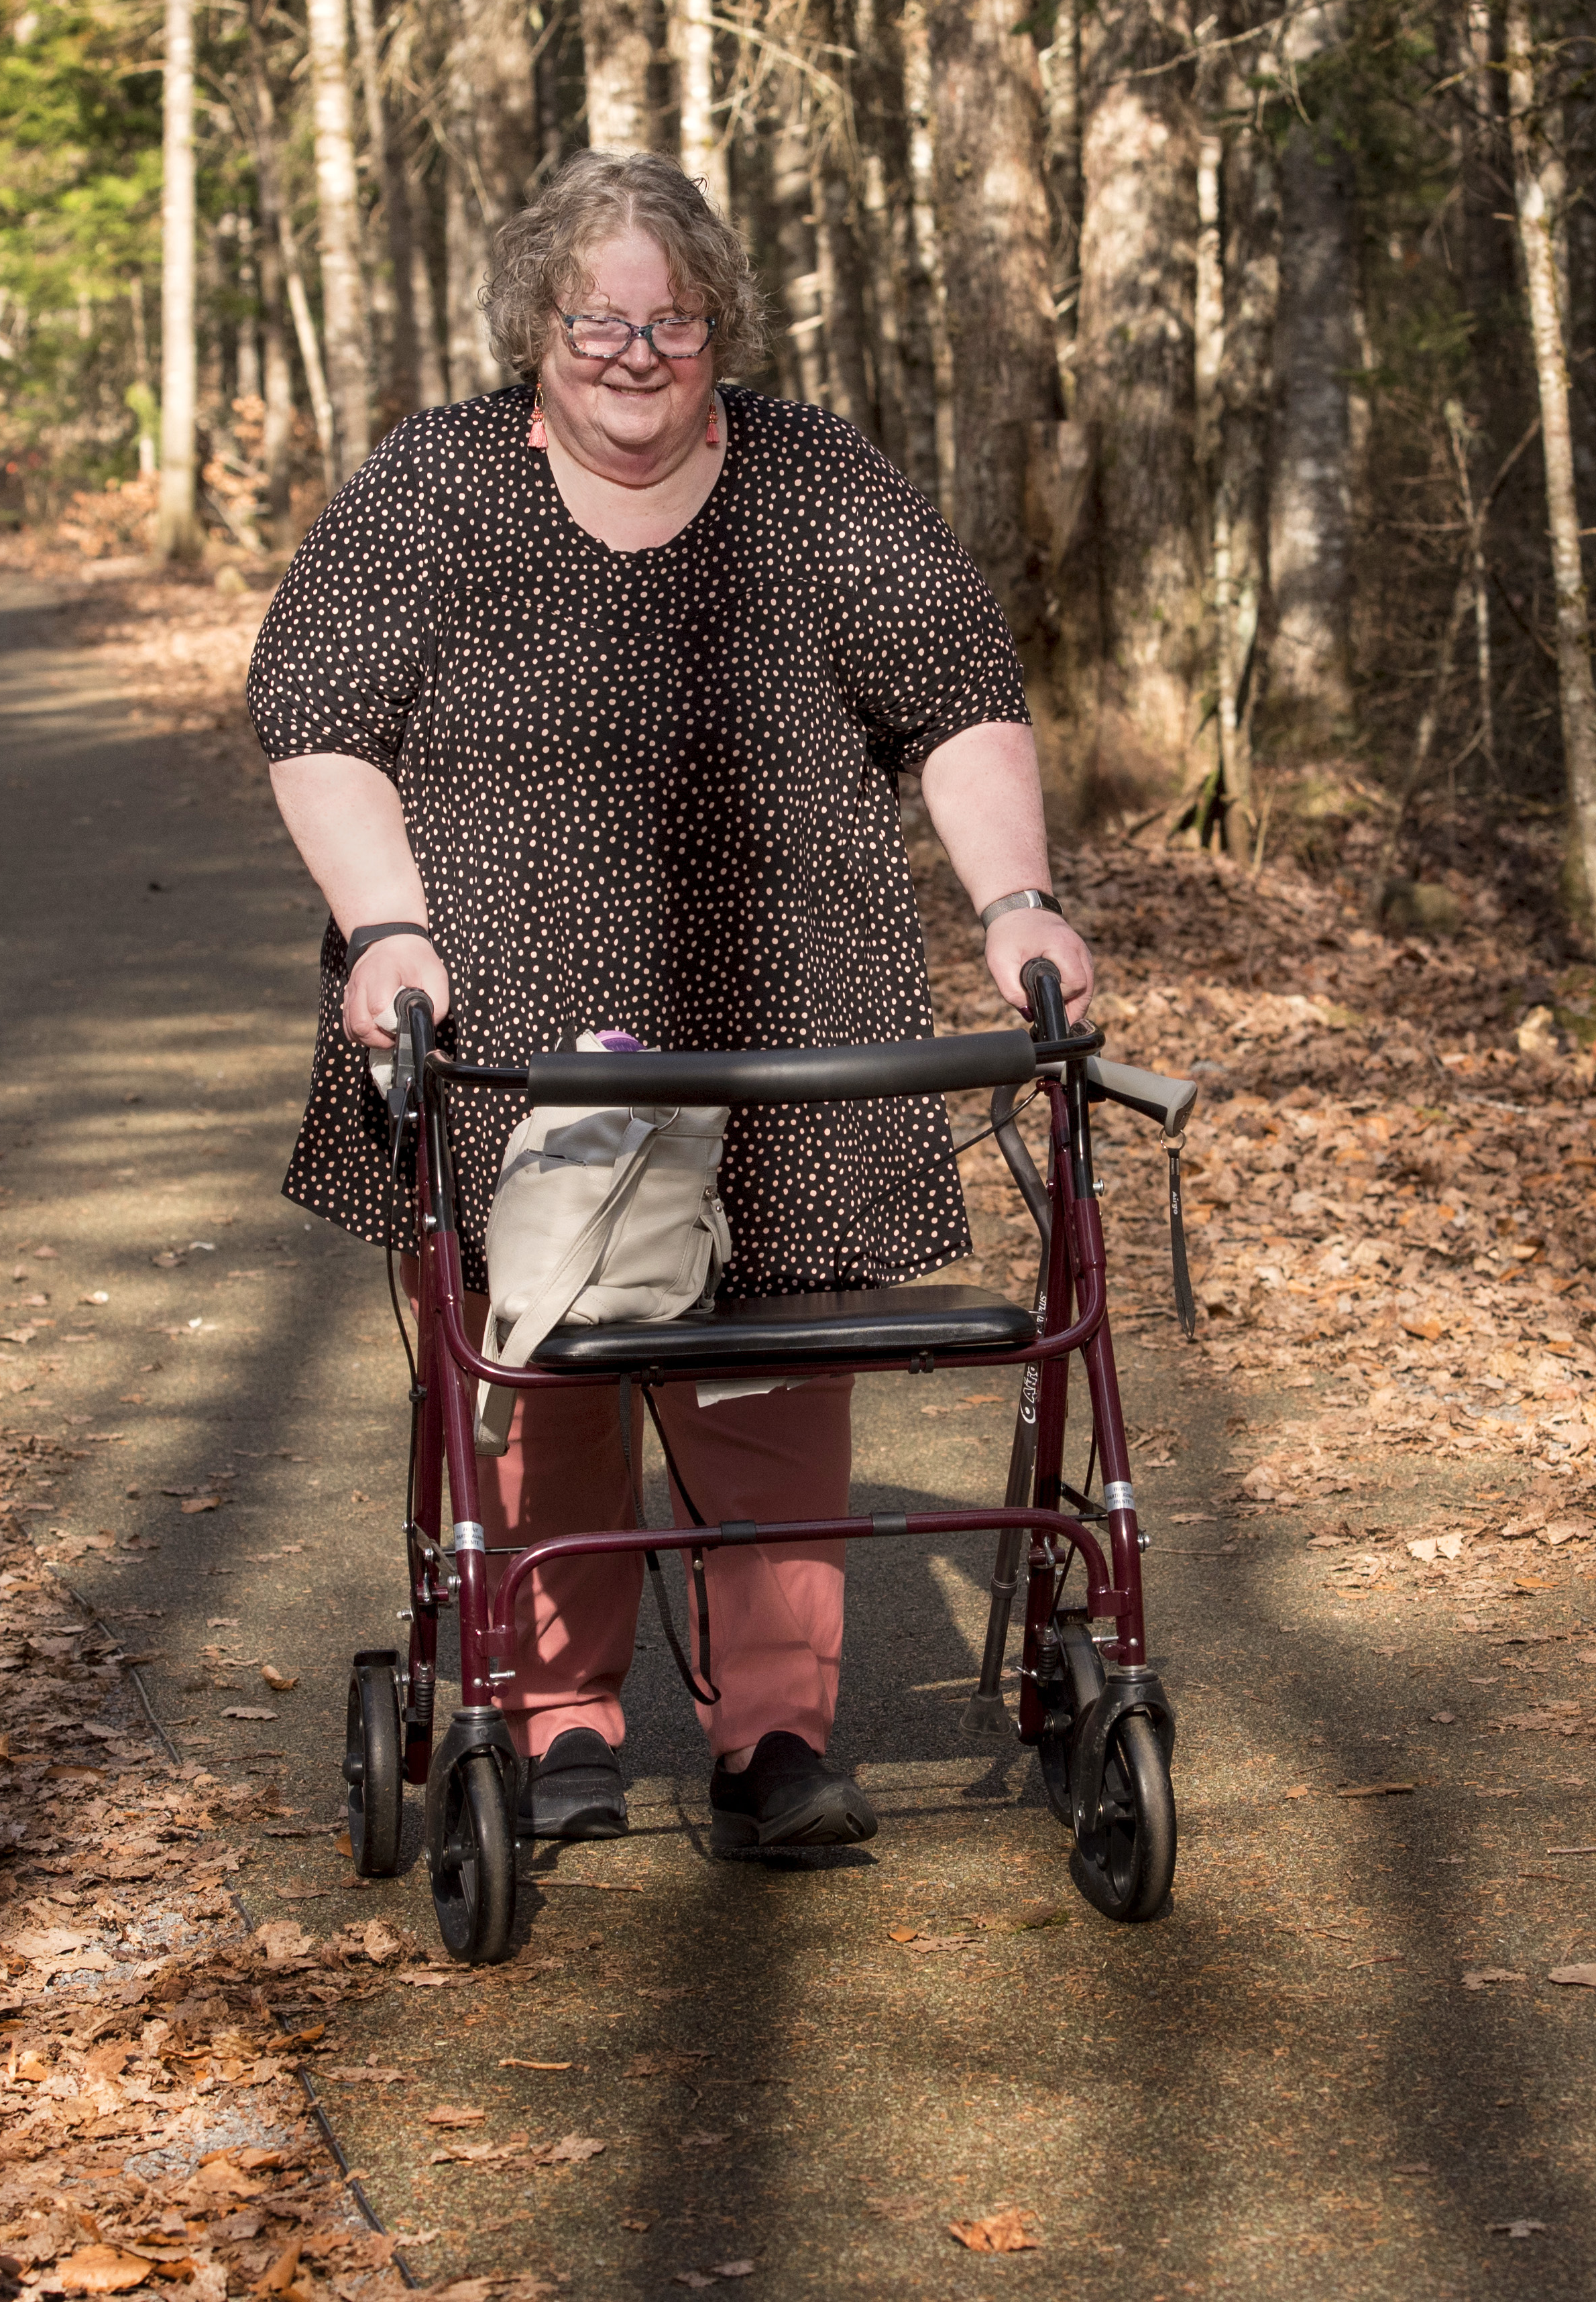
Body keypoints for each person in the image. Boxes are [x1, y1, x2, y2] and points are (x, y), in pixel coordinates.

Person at [246, 150, 1093, 1855]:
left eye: (672, 319)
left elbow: (962, 700)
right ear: (537, 328)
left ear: (719, 328)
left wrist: (1018, 906)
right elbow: (316, 714)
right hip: (513, 1001)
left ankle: (775, 1737)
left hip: (786, 999)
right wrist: (386, 930)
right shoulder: (439, 483)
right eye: (598, 318)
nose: (636, 351)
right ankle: (555, 1717)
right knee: (554, 1351)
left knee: (769, 1377)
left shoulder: (819, 485)